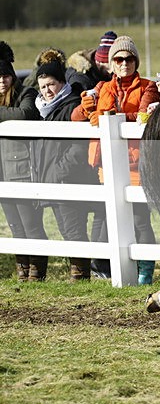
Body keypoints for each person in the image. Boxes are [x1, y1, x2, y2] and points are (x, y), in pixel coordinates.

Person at [71, 36, 159, 285]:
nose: (124, 63)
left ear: (136, 61)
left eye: (129, 59)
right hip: (107, 164)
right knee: (111, 217)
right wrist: (86, 107)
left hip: (136, 164)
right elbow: (76, 117)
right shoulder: (101, 88)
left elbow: (143, 115)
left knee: (140, 218)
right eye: (119, 59)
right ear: (111, 63)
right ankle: (114, 270)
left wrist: (110, 116)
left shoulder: (147, 86)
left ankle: (146, 269)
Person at [30, 52, 97, 280]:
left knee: (73, 229)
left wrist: (60, 171)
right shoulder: (43, 111)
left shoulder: (71, 106)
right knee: (66, 229)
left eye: (51, 85)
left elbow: (78, 148)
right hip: (52, 179)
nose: (47, 91)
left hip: (68, 179)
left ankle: (81, 274)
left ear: (62, 83)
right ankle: (78, 272)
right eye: (43, 86)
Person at [0, 41, 49, 281]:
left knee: (31, 225)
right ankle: (22, 270)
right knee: (15, 226)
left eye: (6, 76)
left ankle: (37, 270)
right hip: (2, 173)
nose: (2, 81)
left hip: (21, 170)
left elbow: (25, 114)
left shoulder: (25, 93)